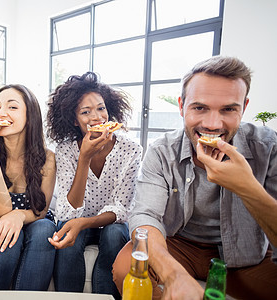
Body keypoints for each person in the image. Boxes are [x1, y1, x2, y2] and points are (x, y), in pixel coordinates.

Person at [112, 56, 277, 300]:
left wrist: (247, 187)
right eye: (199, 108)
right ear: (181, 106)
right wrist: (173, 275)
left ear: (244, 106)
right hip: (180, 245)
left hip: (246, 256)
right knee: (127, 266)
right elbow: (145, 215)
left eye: (228, 109)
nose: (212, 124)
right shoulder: (161, 151)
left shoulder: (268, 147)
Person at [46, 72, 142, 299]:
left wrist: (84, 222)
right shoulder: (66, 150)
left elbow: (122, 208)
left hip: (112, 224)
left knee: (113, 234)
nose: (97, 117)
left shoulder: (131, 150)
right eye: (85, 112)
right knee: (68, 231)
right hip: (77, 220)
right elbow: (69, 211)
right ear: (74, 120)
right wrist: (84, 159)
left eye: (101, 108)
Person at [0, 84, 57, 296]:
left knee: (45, 229)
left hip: (31, 219)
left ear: (30, 115)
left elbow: (41, 210)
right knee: (11, 236)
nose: (1, 113)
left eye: (12, 107)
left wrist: (19, 216)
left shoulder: (47, 158)